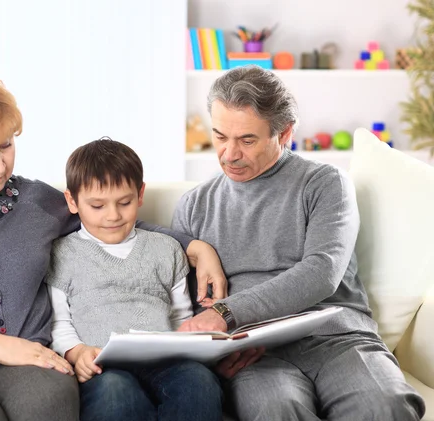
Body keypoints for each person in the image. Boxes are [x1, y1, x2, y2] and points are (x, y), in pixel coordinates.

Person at [0, 68, 228, 421]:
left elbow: (107, 219)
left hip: (13, 363)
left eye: (5, 145)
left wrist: (194, 246)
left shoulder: (37, 200)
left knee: (49, 399)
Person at [174, 66, 426, 420]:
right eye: (219, 136)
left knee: (385, 406)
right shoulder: (194, 205)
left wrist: (227, 313)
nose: (229, 154)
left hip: (336, 340)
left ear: (285, 133)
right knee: (275, 410)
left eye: (247, 140)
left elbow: (321, 272)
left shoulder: (324, 184)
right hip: (256, 356)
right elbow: (186, 304)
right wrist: (215, 351)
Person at [45, 138, 223, 421]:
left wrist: (190, 341)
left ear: (140, 194)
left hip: (166, 362)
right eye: (98, 206)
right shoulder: (61, 253)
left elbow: (179, 315)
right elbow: (59, 322)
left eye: (124, 202)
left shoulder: (166, 249)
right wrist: (77, 353)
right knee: (117, 393)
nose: (113, 215)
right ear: (72, 201)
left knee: (198, 382)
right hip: (103, 366)